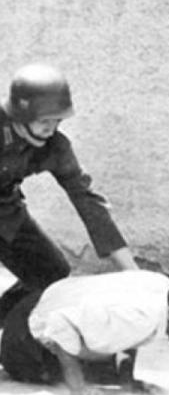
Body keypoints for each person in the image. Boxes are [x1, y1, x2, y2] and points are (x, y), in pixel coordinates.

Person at [0, 63, 138, 324]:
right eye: (44, 121)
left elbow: (88, 202)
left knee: (51, 273)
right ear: (20, 115)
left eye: (57, 121)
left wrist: (133, 273)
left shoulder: (55, 147)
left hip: (6, 211)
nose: (51, 129)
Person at [0, 270, 169, 395]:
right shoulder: (140, 316)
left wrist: (127, 381)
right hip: (25, 338)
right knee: (88, 380)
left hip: (38, 304)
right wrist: (78, 387)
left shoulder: (165, 288)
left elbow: (127, 336)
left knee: (109, 377)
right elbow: (59, 324)